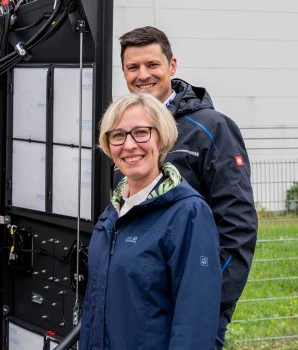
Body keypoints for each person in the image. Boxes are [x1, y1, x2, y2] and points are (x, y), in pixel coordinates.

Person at [117, 26, 258, 348]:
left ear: (172, 65)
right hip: (138, 302)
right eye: (133, 67)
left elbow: (238, 226)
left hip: (192, 306)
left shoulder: (212, 128)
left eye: (152, 64)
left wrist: (208, 304)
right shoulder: (124, 132)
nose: (143, 75)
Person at [79, 93, 221, 349]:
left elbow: (195, 322)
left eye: (141, 132)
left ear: (161, 137)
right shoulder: (113, 212)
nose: (129, 145)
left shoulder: (188, 214)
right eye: (118, 135)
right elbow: (93, 308)